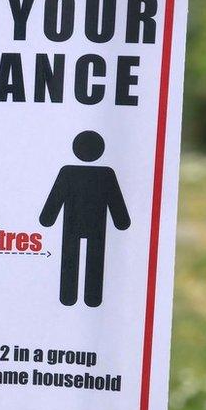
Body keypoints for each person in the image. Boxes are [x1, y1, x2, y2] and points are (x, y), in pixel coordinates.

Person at [40, 131, 131, 307]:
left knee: (70, 258)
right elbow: (116, 203)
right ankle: (92, 298)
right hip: (96, 226)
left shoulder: (68, 172)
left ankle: (68, 296)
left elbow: (55, 200)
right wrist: (121, 221)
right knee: (94, 259)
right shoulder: (106, 175)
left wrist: (47, 218)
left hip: (72, 225)